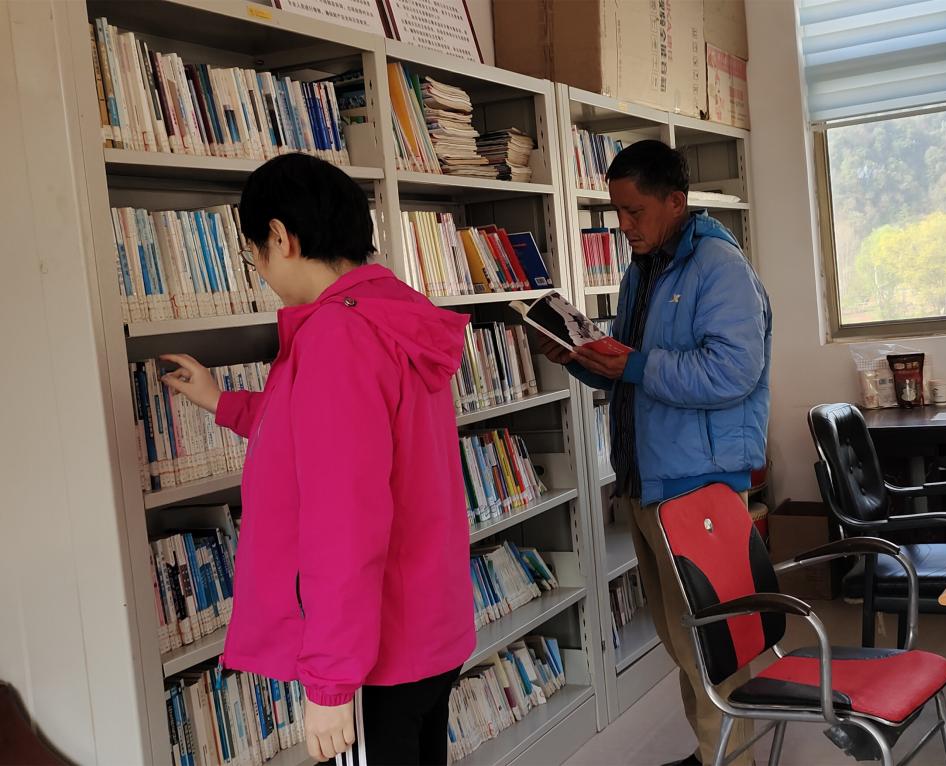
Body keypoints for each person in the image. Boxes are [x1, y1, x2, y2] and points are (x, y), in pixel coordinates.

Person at [161, 153, 475, 766]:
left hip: (375, 655)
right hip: (426, 629)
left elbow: (343, 522)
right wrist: (223, 402)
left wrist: (331, 682)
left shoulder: (336, 337)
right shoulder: (390, 314)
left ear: (280, 237)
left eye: (254, 254)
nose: (260, 270)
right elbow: (319, 433)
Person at [539, 140, 771, 766]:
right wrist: (580, 359)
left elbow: (734, 371)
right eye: (616, 212)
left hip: (698, 487)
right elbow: (630, 370)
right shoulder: (643, 269)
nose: (624, 226)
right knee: (680, 637)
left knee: (714, 644)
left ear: (676, 202)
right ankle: (712, 752)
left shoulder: (718, 267)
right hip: (649, 478)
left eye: (635, 211)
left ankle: (734, 760)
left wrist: (635, 364)